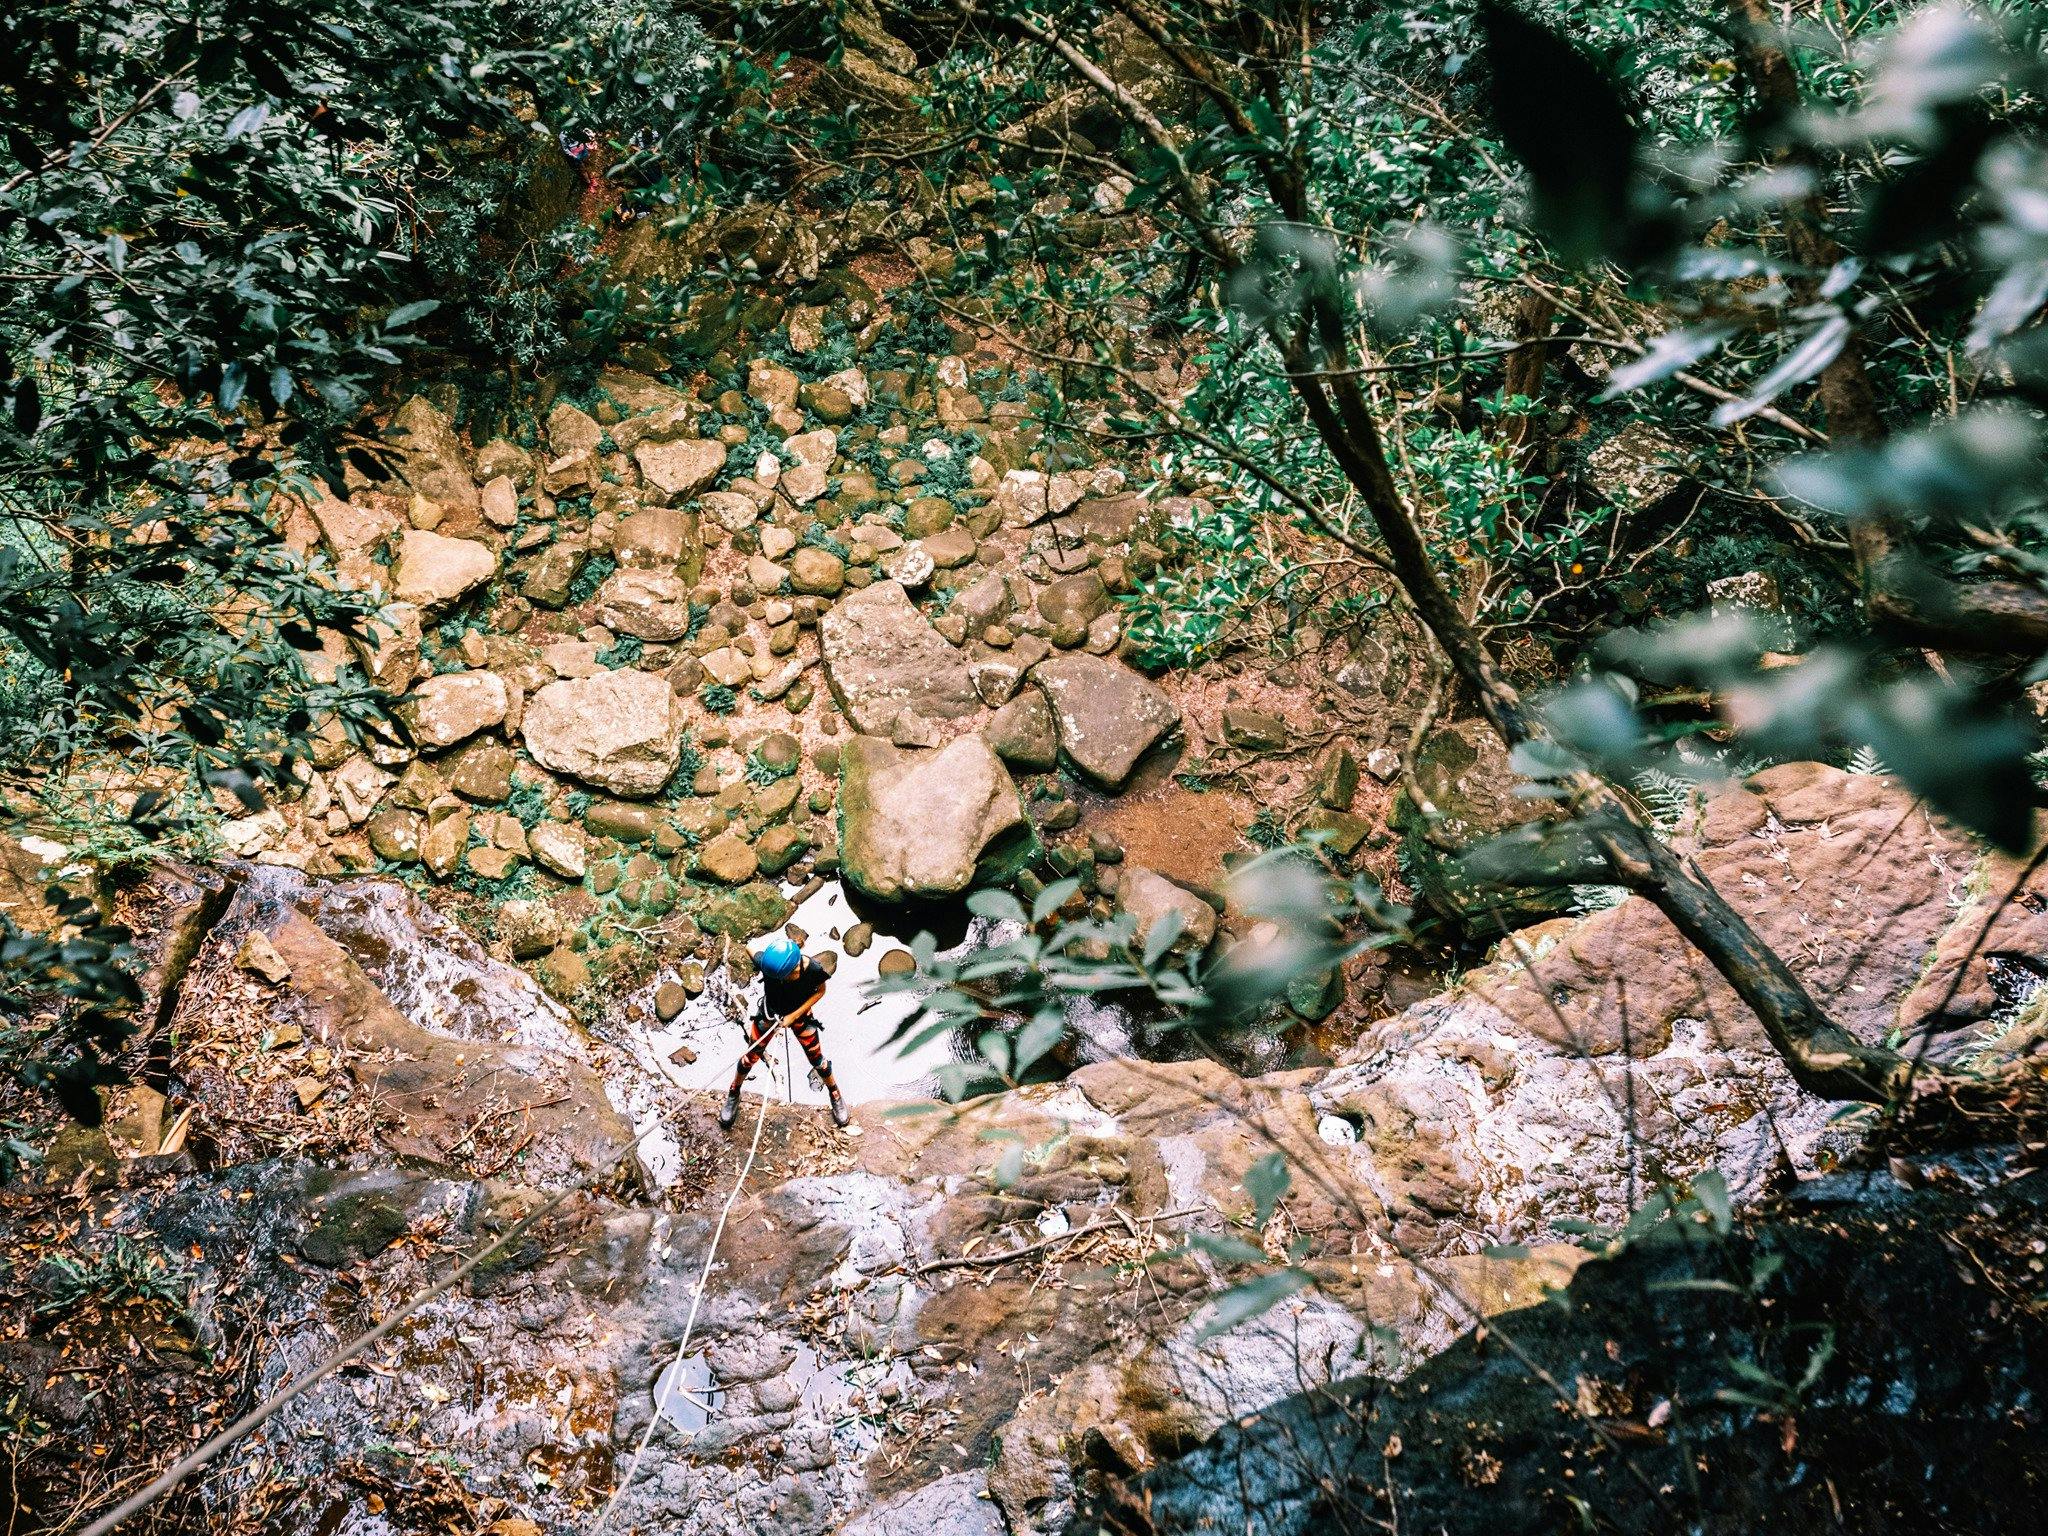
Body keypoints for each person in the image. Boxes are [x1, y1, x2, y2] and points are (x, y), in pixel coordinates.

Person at [719, 936, 849, 1131]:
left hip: (800, 1016)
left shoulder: (812, 969)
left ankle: (835, 1094)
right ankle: (733, 1092)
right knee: (749, 1058)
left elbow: (820, 991)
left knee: (817, 1060)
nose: (786, 979)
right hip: (769, 1014)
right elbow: (749, 947)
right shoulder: (769, 965)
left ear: (796, 965)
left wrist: (793, 1016)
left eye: (788, 975)